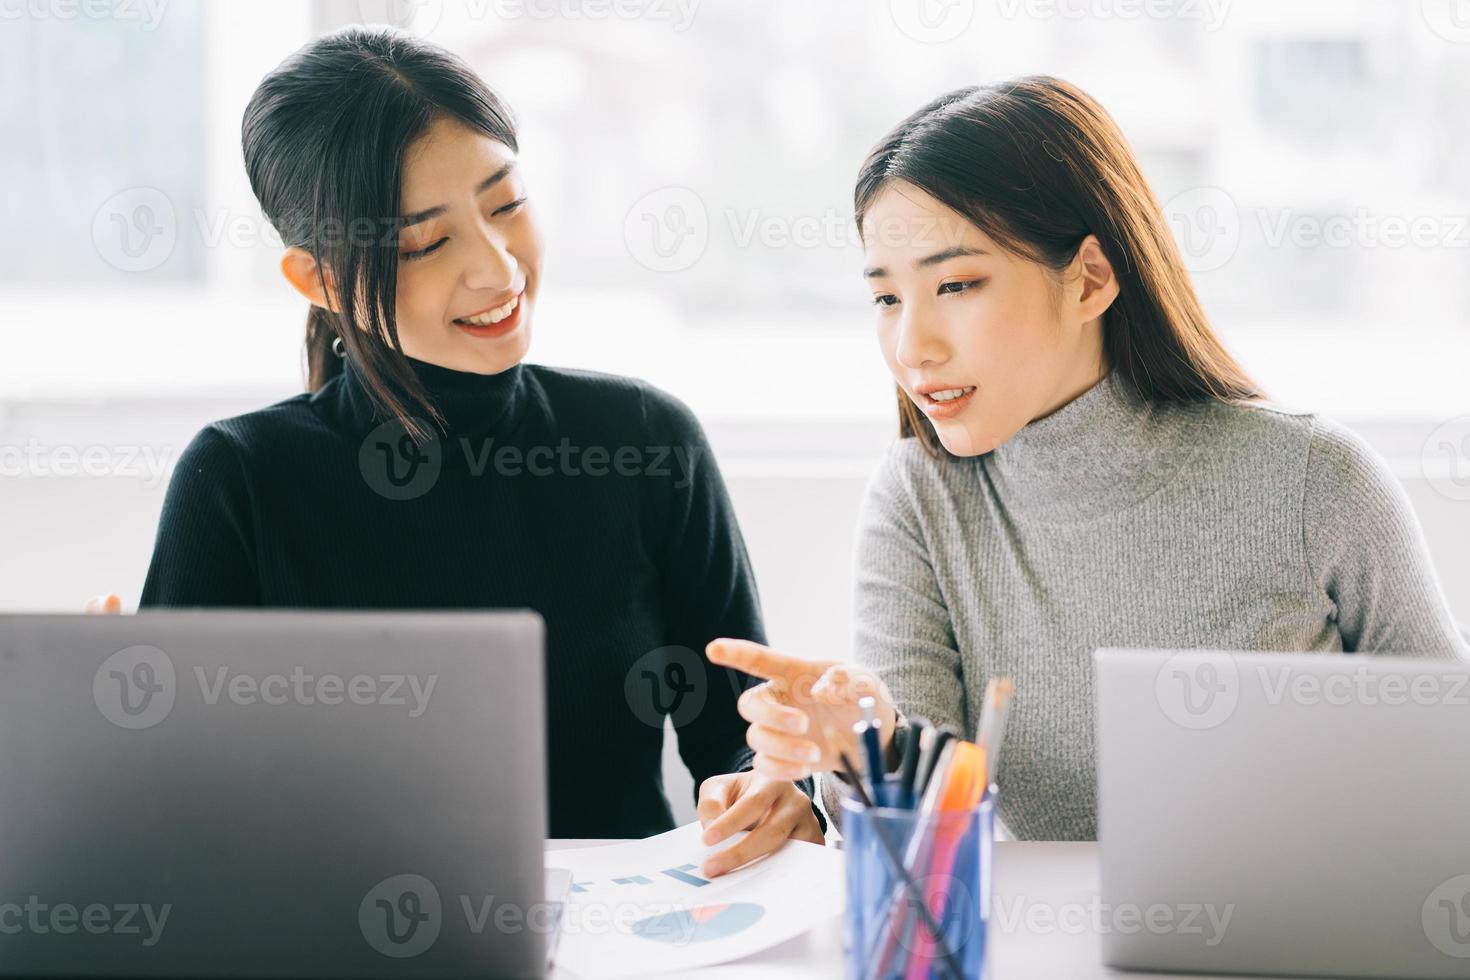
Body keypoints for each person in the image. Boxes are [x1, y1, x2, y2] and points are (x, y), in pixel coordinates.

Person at [106, 26, 822, 868]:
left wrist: (781, 795)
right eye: (425, 242)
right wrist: (110, 735)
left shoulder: (645, 443)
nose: (497, 267)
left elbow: (742, 753)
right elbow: (169, 824)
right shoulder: (239, 480)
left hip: (628, 941)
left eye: (506, 204)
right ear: (321, 280)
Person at [708, 76, 1469, 841]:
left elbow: (1452, 762)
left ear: (1091, 279)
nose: (913, 349)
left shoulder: (1316, 481)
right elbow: (928, 837)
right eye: (887, 299)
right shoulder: (918, 498)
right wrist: (863, 748)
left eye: (957, 284)